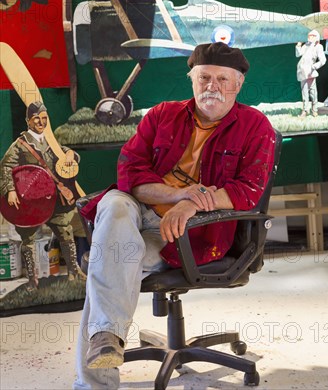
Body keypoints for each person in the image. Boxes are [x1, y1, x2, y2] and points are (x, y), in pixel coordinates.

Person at [72, 42, 276, 390]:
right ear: (191, 80)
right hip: (138, 213)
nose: (213, 86)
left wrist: (193, 204)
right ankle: (106, 337)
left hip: (190, 235)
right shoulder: (161, 114)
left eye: (223, 79)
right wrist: (180, 193)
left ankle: (95, 380)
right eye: (204, 77)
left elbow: (249, 191)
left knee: (108, 259)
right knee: (114, 203)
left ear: (238, 84)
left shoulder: (255, 126)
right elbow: (130, 175)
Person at [0, 101, 86, 289]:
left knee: (65, 232)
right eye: (36, 119)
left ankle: (74, 272)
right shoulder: (20, 145)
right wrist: (11, 190)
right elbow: (6, 166)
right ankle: (32, 281)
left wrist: (70, 154)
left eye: (44, 118)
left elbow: (61, 153)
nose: (41, 122)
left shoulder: (50, 140)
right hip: (30, 202)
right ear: (28, 121)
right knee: (28, 240)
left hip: (52, 197)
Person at [295, 29, 326, 117]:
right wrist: (298, 45)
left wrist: (314, 66)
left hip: (311, 71)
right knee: (304, 92)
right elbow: (298, 54)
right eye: (309, 35)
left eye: (312, 35)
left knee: (313, 91)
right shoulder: (306, 45)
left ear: (316, 37)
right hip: (302, 70)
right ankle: (305, 110)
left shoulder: (318, 47)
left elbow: (323, 60)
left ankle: (314, 109)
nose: (310, 37)